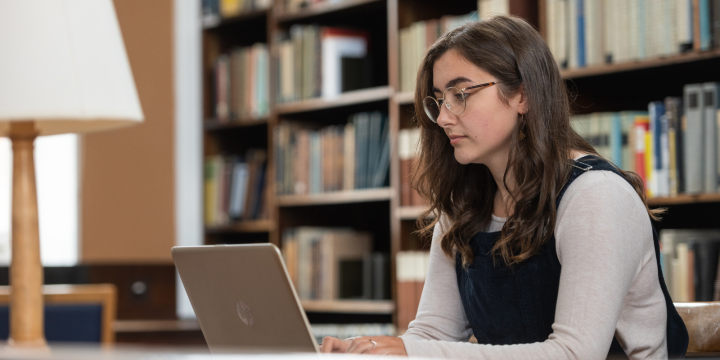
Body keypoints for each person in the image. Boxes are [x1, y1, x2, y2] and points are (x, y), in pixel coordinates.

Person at [319, 15, 688, 359]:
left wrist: (416, 352)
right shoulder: (462, 207)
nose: (444, 117)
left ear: (523, 95)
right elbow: (434, 335)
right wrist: (370, 349)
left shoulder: (596, 195)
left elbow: (575, 354)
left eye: (461, 94)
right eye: (439, 100)